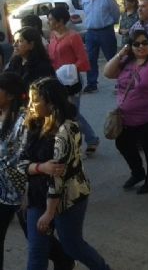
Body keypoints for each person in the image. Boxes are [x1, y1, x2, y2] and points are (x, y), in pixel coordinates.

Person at [20, 77, 110, 270]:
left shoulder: (67, 129)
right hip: (38, 195)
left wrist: (49, 213)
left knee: (73, 246)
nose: (30, 105)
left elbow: (58, 176)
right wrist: (40, 167)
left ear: (51, 103)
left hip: (67, 198)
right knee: (36, 250)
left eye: (35, 100)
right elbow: (19, 163)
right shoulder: (32, 123)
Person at [102, 30, 148, 195]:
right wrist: (121, 53)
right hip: (126, 117)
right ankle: (137, 172)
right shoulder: (126, 62)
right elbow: (107, 73)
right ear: (130, 46)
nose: (141, 46)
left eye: (145, 43)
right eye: (136, 44)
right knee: (122, 143)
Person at [46, 7, 99, 157]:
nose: (49, 22)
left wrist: (68, 70)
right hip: (56, 80)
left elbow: (83, 59)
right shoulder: (53, 35)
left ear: (60, 21)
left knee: (72, 112)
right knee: (63, 112)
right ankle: (79, 141)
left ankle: (90, 139)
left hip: (71, 80)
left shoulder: (73, 37)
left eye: (51, 19)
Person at [0, 72, 28, 269]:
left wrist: (28, 192)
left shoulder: (24, 120)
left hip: (19, 188)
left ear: (10, 95)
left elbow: (26, 156)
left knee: (36, 236)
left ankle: (63, 257)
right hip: (2, 190)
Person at [80, 0, 120, 93]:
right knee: (90, 59)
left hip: (105, 31)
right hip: (91, 33)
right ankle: (92, 84)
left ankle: (120, 82)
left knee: (112, 58)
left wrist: (112, 23)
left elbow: (115, 12)